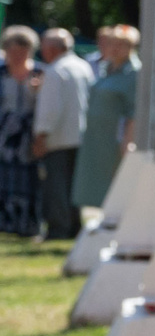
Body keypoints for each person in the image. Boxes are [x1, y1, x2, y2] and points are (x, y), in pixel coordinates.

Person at [31, 29, 91, 240]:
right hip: (80, 136)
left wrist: (41, 137)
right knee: (73, 187)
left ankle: (58, 230)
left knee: (56, 186)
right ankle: (74, 227)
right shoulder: (83, 67)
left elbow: (50, 109)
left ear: (52, 49)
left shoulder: (55, 71)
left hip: (58, 138)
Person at [76, 25, 139, 210]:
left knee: (116, 181)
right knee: (97, 181)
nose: (115, 48)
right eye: (112, 43)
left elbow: (134, 111)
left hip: (115, 138)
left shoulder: (134, 73)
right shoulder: (106, 67)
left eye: (121, 44)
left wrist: (127, 141)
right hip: (97, 136)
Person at [0, 30, 38, 239]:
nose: (17, 56)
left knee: (27, 178)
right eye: (12, 51)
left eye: (22, 51)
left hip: (29, 135)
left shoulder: (40, 73)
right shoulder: (1, 73)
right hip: (3, 134)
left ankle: (27, 224)